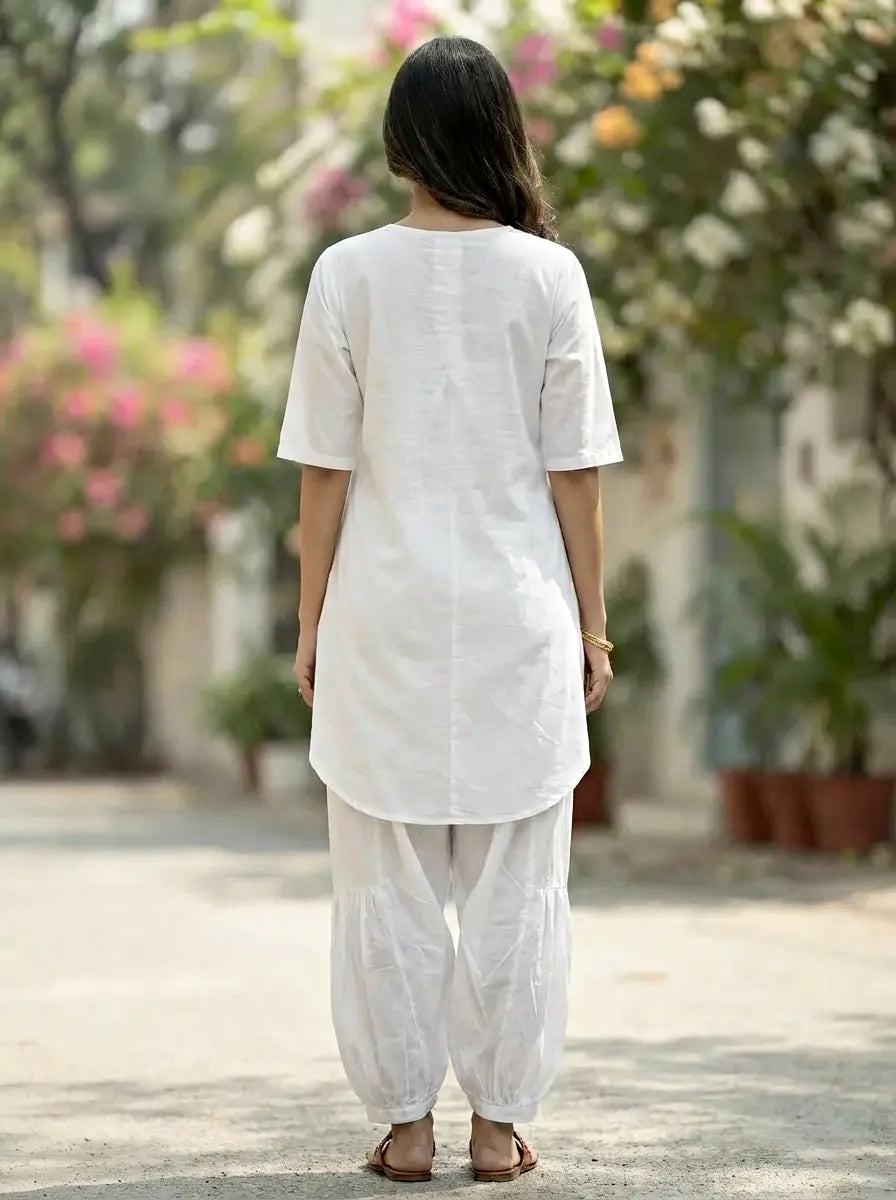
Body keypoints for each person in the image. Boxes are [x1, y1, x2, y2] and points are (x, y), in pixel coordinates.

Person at [277, 35, 622, 1184]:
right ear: (501, 139)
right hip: (519, 613)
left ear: (399, 146)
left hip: (381, 613)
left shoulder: (345, 273)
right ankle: (499, 1124)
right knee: (522, 878)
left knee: (382, 874)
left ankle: (404, 1124)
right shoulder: (550, 276)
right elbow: (574, 469)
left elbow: (322, 470)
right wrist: (591, 621)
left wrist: (307, 619)